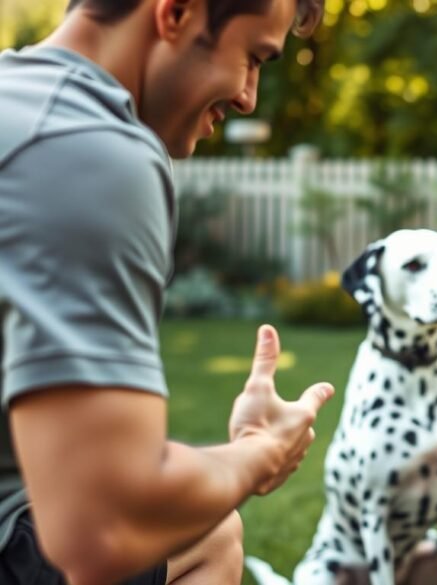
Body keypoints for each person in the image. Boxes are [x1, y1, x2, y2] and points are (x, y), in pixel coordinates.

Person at [0, 1, 332, 583]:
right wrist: (259, 452)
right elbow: (103, 529)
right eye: (251, 57)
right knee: (213, 534)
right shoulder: (89, 151)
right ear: (176, 12)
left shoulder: (17, 101)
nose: (248, 97)